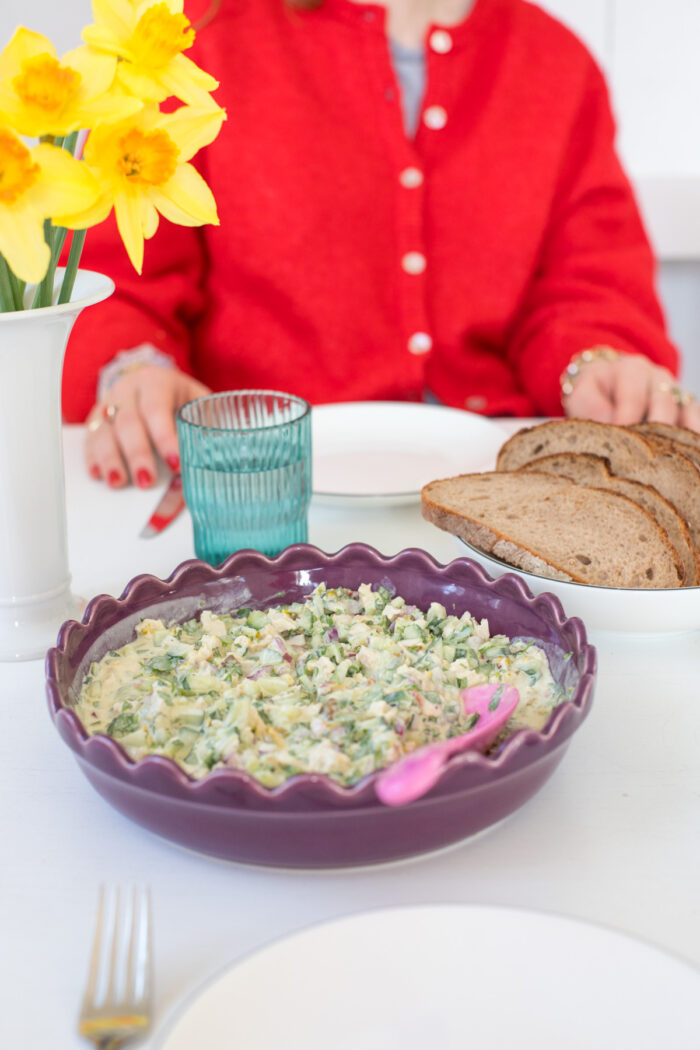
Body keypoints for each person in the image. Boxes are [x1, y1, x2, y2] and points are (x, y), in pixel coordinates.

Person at [64, 0, 700, 489]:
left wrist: (596, 366)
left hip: (502, 489)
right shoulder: (195, 42)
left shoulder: (559, 65)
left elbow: (589, 286)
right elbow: (115, 285)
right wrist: (135, 372)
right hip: (254, 488)